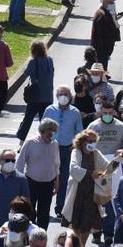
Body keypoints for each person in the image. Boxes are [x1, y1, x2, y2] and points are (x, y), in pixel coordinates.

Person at [62, 130, 108, 247]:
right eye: (89, 141)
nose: (92, 143)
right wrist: (90, 173)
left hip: (92, 193)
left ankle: (82, 246)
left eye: (94, 141)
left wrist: (118, 159)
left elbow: (107, 167)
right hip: (78, 191)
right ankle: (77, 246)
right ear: (82, 142)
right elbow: (73, 168)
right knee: (76, 221)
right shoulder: (76, 152)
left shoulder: (96, 153)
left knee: (88, 221)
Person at [43, 85, 83, 214]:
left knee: (64, 179)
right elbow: (42, 129)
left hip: (67, 149)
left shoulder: (75, 112)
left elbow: (79, 132)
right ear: (56, 96)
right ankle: (44, 207)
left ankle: (60, 208)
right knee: (48, 178)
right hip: (50, 148)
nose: (63, 97)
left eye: (66, 94)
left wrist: (75, 145)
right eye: (61, 94)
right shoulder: (49, 110)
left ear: (70, 96)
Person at [17, 118, 61, 227]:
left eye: (55, 131)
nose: (53, 134)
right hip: (31, 183)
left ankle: (41, 238)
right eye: (51, 131)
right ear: (43, 130)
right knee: (29, 212)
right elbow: (20, 164)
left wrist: (57, 181)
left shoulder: (54, 144)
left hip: (48, 184)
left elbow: (56, 164)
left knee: (44, 213)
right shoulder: (30, 143)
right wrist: (20, 184)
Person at [16, 41, 56, 142]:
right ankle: (47, 140)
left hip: (35, 97)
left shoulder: (33, 62)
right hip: (48, 96)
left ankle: (21, 141)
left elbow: (25, 74)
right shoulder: (50, 60)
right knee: (46, 122)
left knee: (28, 119)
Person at [0, 149, 32, 230]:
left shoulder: (21, 179)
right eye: (7, 160)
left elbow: (26, 202)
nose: (10, 163)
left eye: (13, 160)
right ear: (0, 161)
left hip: (13, 225)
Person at [92, 0, 122, 70]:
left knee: (103, 67)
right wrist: (106, 48)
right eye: (110, 3)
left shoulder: (106, 13)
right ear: (104, 3)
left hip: (104, 48)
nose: (113, 4)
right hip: (102, 49)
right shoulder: (102, 15)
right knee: (101, 69)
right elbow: (102, 34)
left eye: (113, 2)